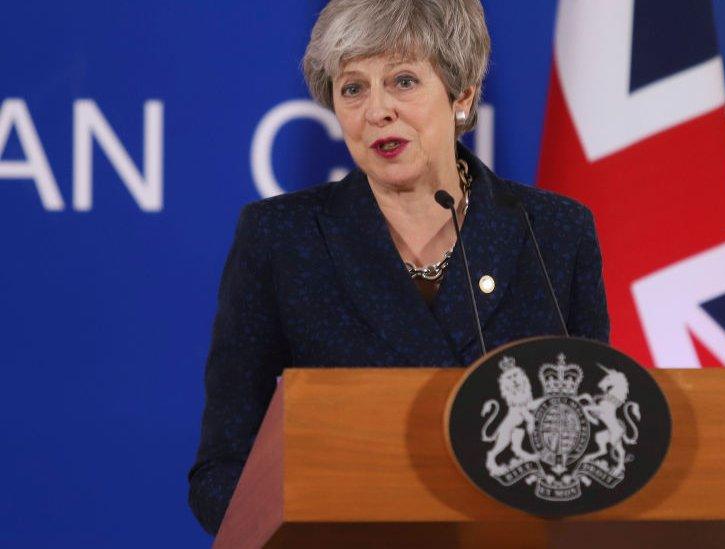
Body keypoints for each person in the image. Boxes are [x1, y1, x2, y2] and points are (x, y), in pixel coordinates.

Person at [188, 0, 609, 536]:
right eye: (353, 88)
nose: (376, 111)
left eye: (403, 81)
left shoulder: (551, 233)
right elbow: (222, 469)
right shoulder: (282, 239)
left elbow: (598, 448)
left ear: (462, 96)